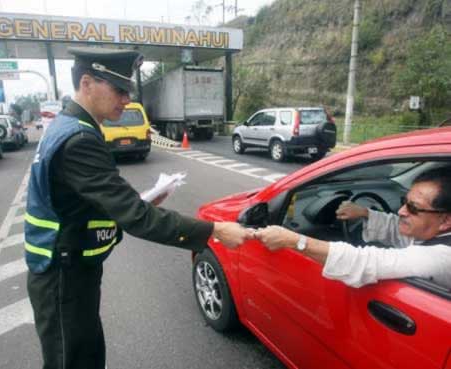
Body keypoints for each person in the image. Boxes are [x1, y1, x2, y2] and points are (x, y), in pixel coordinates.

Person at [24, 46, 253, 369]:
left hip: (65, 268)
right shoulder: (80, 139)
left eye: (128, 91)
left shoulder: (69, 126)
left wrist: (140, 201)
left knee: (84, 353)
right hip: (65, 275)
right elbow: (137, 219)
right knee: (74, 360)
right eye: (118, 90)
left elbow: (82, 202)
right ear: (87, 83)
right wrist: (214, 230)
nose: (126, 99)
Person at [254, 167, 451, 288]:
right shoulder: (432, 231)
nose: (400, 211)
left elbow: (363, 262)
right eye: (403, 201)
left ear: (445, 221)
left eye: (413, 208)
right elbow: (398, 230)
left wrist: (295, 240)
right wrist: (365, 213)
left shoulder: (440, 258)